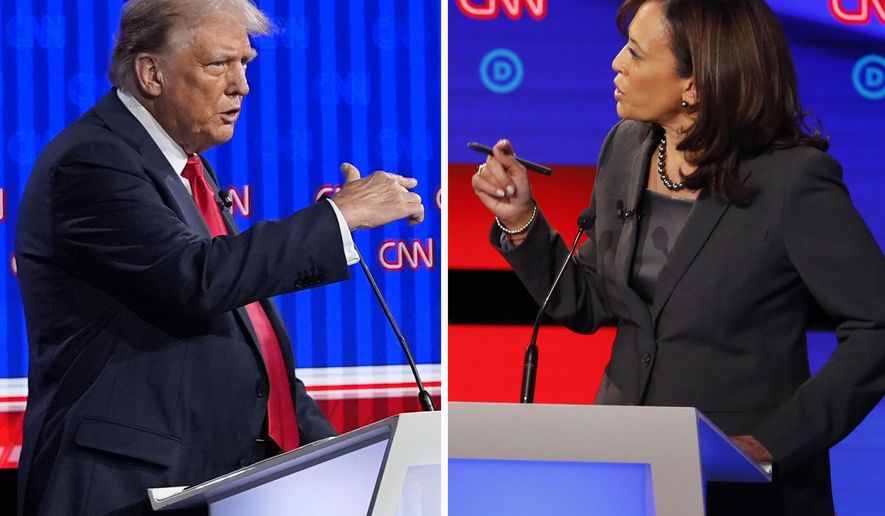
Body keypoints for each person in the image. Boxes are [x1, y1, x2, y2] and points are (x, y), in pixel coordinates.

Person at [472, 0, 885, 514]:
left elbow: (877, 328)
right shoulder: (624, 147)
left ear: (695, 84)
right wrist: (520, 220)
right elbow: (591, 303)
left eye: (636, 53)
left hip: (741, 482)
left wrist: (774, 441)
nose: (615, 63)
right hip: (624, 468)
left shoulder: (793, 182)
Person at [15, 0, 424, 514]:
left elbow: (246, 344)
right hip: (122, 492)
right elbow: (197, 278)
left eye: (245, 64)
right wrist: (339, 217)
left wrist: (329, 455)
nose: (241, 86)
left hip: (210, 482)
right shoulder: (93, 161)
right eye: (218, 65)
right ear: (151, 73)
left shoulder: (185, 166)